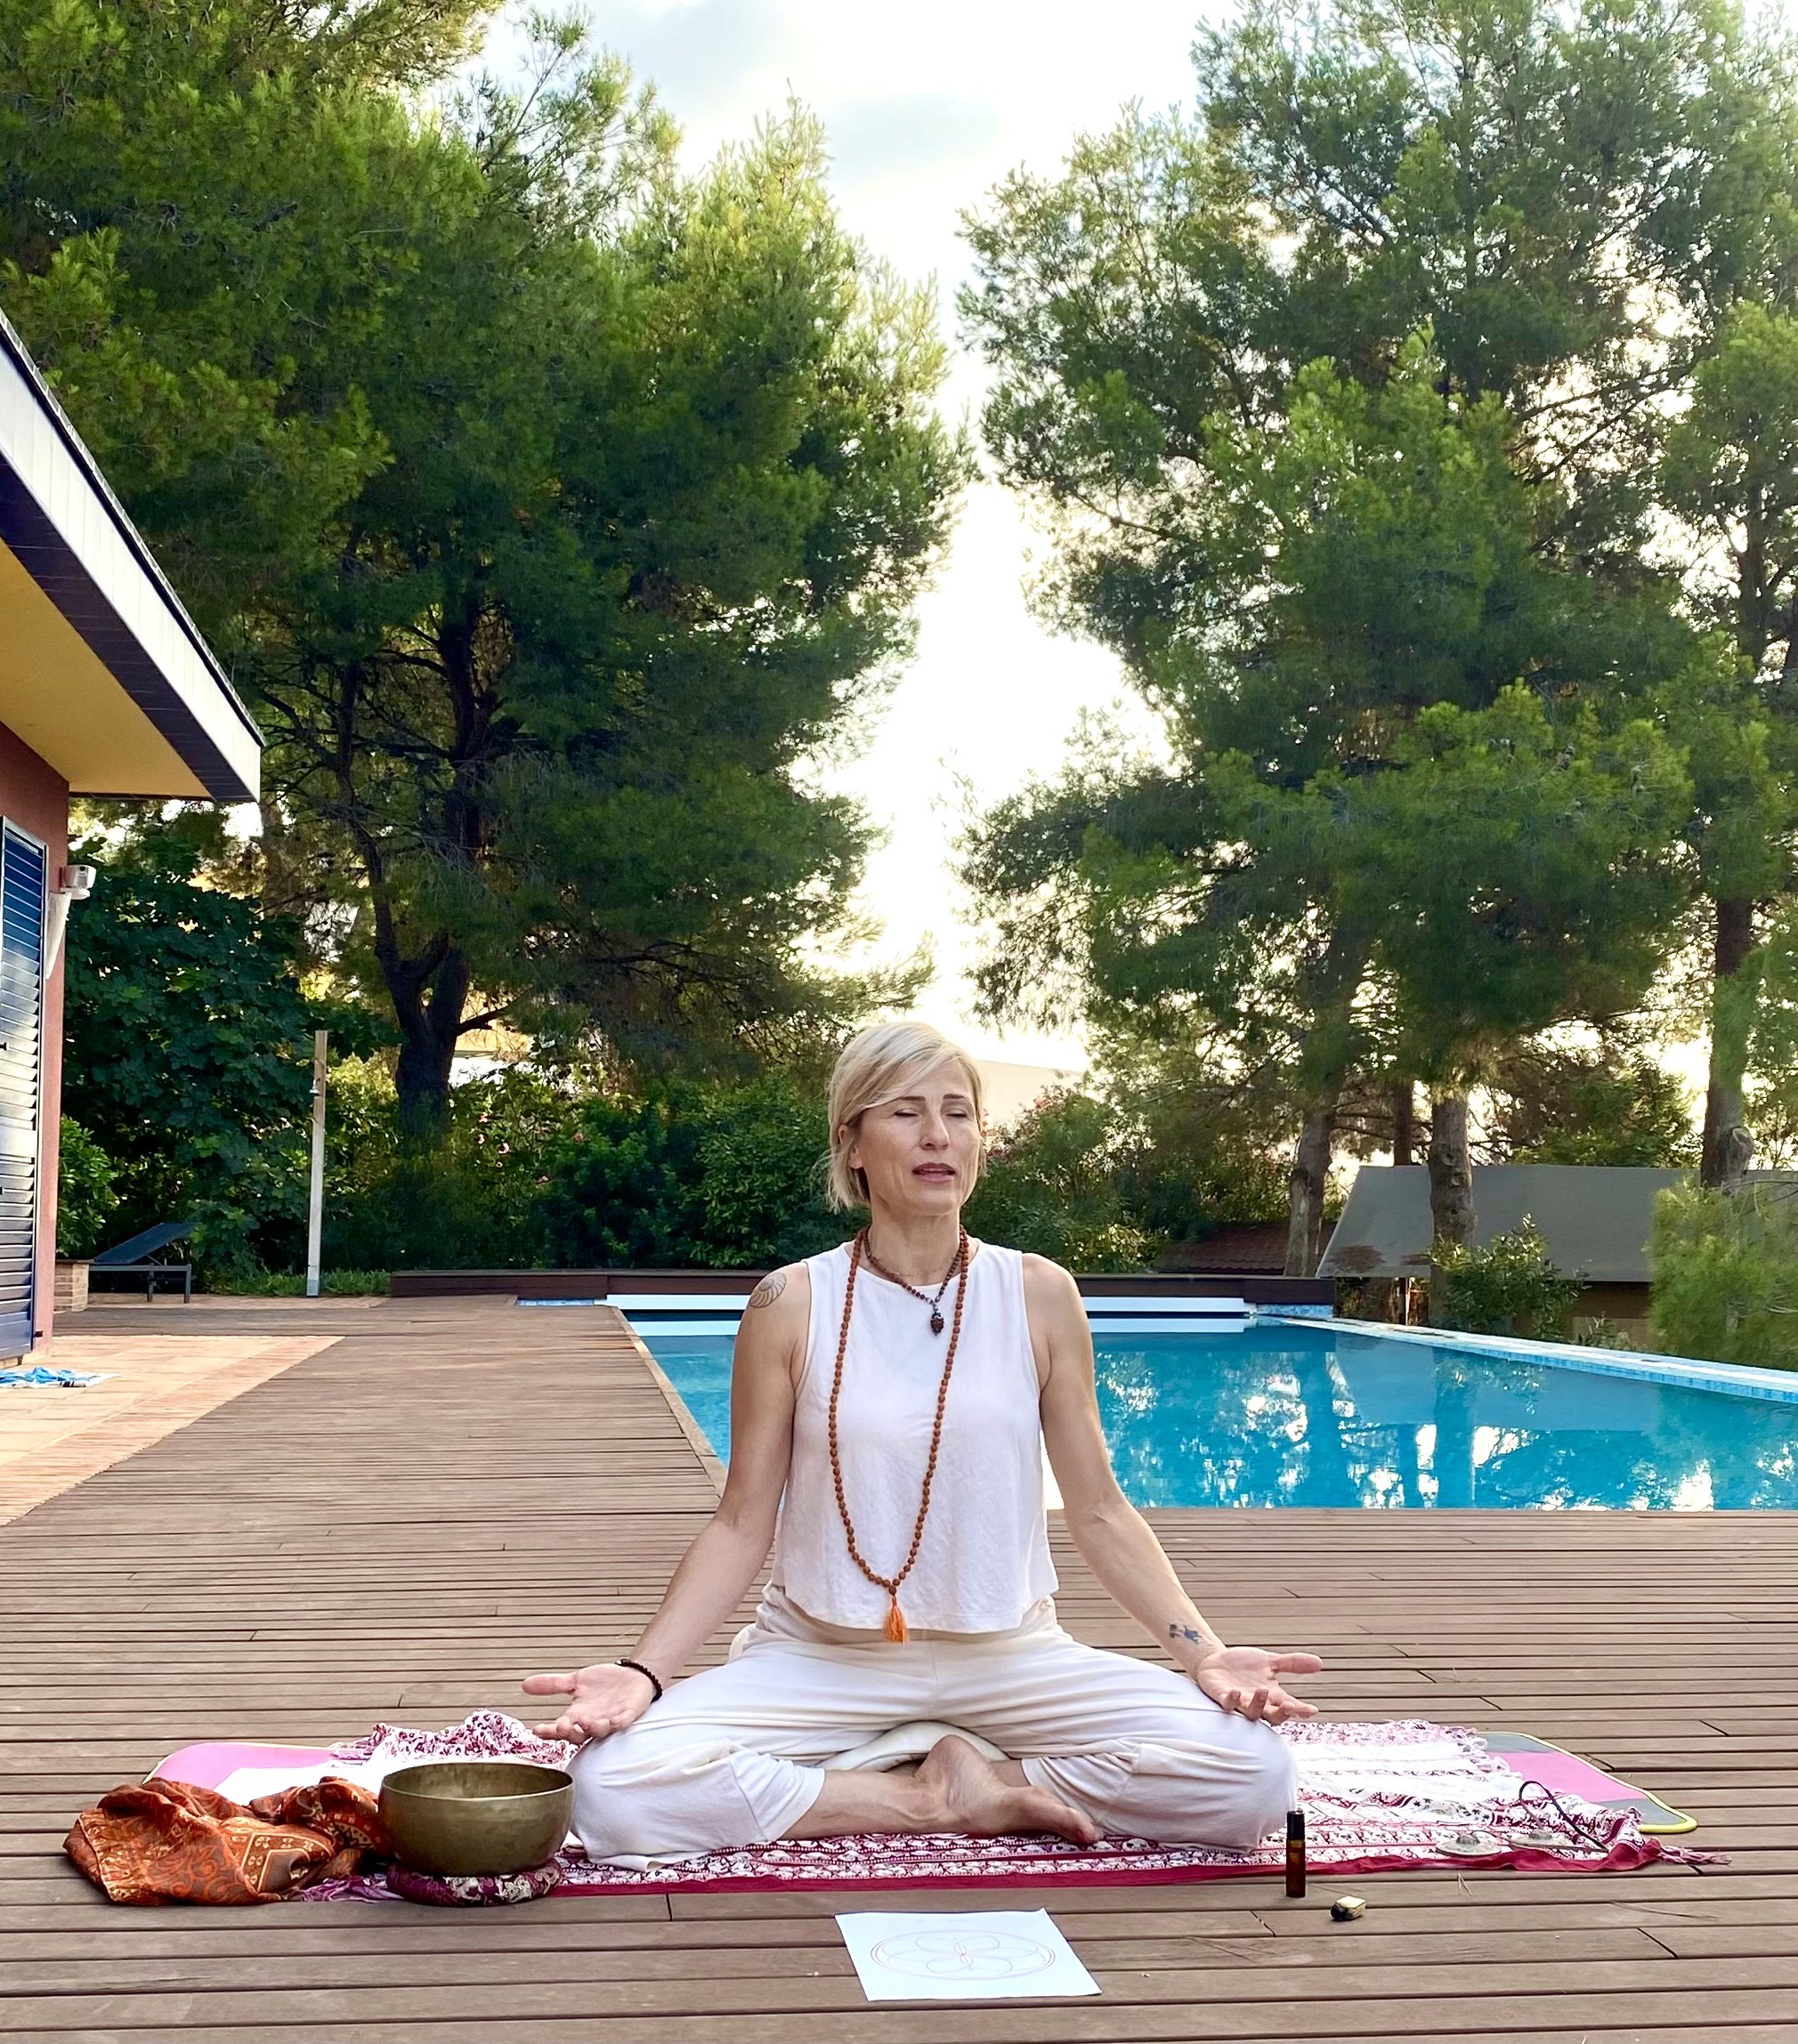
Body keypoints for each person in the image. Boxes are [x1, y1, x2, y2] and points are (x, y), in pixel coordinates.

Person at [523, 1021, 1322, 1862]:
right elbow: (742, 1521)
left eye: (958, 1111)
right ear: (852, 1143)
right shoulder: (789, 1302)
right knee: (609, 1785)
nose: (938, 1134)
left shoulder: (1040, 1293)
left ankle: (988, 1772)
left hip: (1010, 1655)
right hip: (824, 1657)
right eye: (906, 1112)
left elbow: (1098, 1508)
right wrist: (643, 1672)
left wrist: (1205, 1653)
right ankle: (925, 1794)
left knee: (1254, 1775)